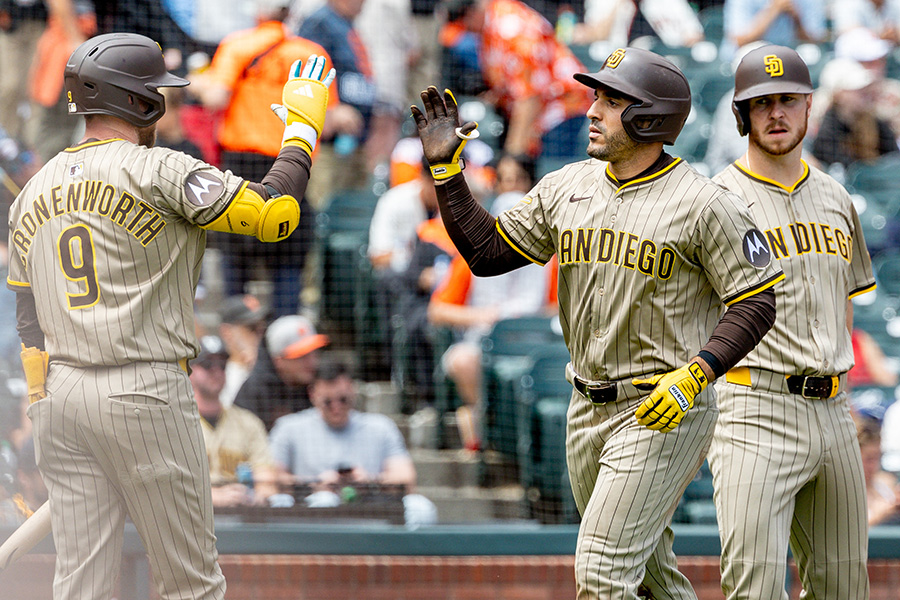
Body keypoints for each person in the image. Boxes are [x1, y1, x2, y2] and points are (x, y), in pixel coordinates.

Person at [412, 45, 781, 598]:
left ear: (650, 116)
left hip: (663, 407)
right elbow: (488, 253)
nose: (592, 110)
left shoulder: (705, 203)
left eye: (611, 100)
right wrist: (447, 171)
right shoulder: (569, 185)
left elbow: (757, 301)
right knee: (653, 577)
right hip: (585, 407)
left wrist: (698, 374)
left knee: (603, 570)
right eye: (595, 97)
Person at [6, 32, 334, 600]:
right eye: (159, 90)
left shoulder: (31, 192)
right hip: (143, 389)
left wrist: (48, 407)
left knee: (80, 589)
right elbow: (276, 214)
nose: (167, 101)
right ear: (137, 101)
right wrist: (301, 130)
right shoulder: (160, 169)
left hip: (60, 399)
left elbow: (28, 320)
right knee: (191, 586)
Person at [706, 45, 875, 600]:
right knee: (754, 588)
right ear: (742, 115)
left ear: (809, 108)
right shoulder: (717, 200)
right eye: (762, 104)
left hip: (833, 412)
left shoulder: (837, 199)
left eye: (787, 101)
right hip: (754, 408)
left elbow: (845, 302)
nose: (776, 113)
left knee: (845, 588)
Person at [188, 0, 339, 318]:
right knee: (288, 264)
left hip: (241, 174)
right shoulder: (313, 53)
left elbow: (217, 97)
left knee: (235, 269)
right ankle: (284, 339)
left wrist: (198, 83)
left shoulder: (238, 44)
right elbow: (331, 119)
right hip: (293, 168)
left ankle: (237, 341)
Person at [427, 152, 550, 450]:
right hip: (485, 340)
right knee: (462, 360)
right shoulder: (475, 252)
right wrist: (487, 316)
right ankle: (486, 425)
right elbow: (438, 310)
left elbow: (558, 307)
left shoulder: (551, 255)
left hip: (534, 342)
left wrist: (525, 316)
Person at [268, 356, 438, 525]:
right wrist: (314, 483)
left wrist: (370, 481)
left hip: (371, 509)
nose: (336, 407)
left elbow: (407, 480)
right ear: (313, 394)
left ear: (352, 390)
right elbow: (270, 479)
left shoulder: (380, 426)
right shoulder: (289, 427)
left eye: (343, 400)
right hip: (313, 515)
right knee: (324, 500)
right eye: (328, 402)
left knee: (421, 507)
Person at [442, 0, 593, 159]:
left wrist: (512, 156)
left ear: (471, 13)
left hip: (562, 107)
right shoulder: (492, 22)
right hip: (538, 112)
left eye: (465, 24)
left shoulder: (512, 29)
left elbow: (529, 98)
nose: (468, 30)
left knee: (551, 175)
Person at [191, 335, 279, 507]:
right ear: (189, 371)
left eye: (222, 365)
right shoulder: (172, 423)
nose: (216, 371)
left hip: (240, 518)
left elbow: (267, 481)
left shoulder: (248, 422)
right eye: (207, 364)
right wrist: (211, 498)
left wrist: (257, 497)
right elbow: (163, 489)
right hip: (192, 520)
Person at [234, 313, 330, 430]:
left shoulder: (323, 382)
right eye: (302, 356)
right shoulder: (255, 392)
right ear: (278, 360)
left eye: (314, 353)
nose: (312, 362)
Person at [810, 57, 899, 169]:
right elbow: (843, 168)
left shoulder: (875, 120)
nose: (865, 91)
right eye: (857, 88)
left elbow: (893, 158)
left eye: (865, 87)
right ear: (839, 94)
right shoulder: (827, 129)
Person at [720, 0, 826, 61]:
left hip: (791, 56)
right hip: (745, 59)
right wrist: (773, 10)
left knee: (811, 54)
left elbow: (815, 41)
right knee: (751, 54)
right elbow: (740, 41)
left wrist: (796, 19)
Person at [217, 293, 268, 407]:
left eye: (263, 328)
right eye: (252, 328)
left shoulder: (268, 366)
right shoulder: (216, 373)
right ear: (227, 332)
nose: (260, 335)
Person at [855, 412, 900, 526]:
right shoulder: (845, 492)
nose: (874, 465)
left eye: (877, 457)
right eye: (869, 459)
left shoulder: (888, 482)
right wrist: (884, 512)